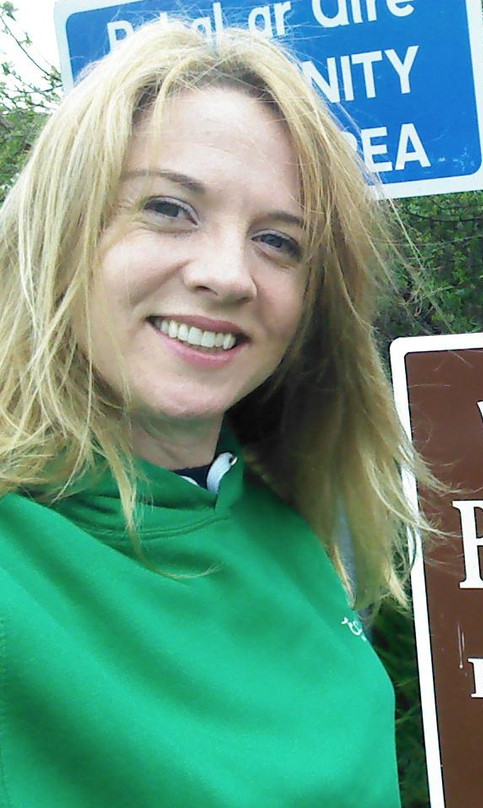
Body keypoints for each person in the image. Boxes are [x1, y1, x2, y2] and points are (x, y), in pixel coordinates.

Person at [0, 21, 424, 808]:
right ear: (60, 233)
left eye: (278, 241)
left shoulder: (296, 531)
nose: (230, 276)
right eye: (168, 208)